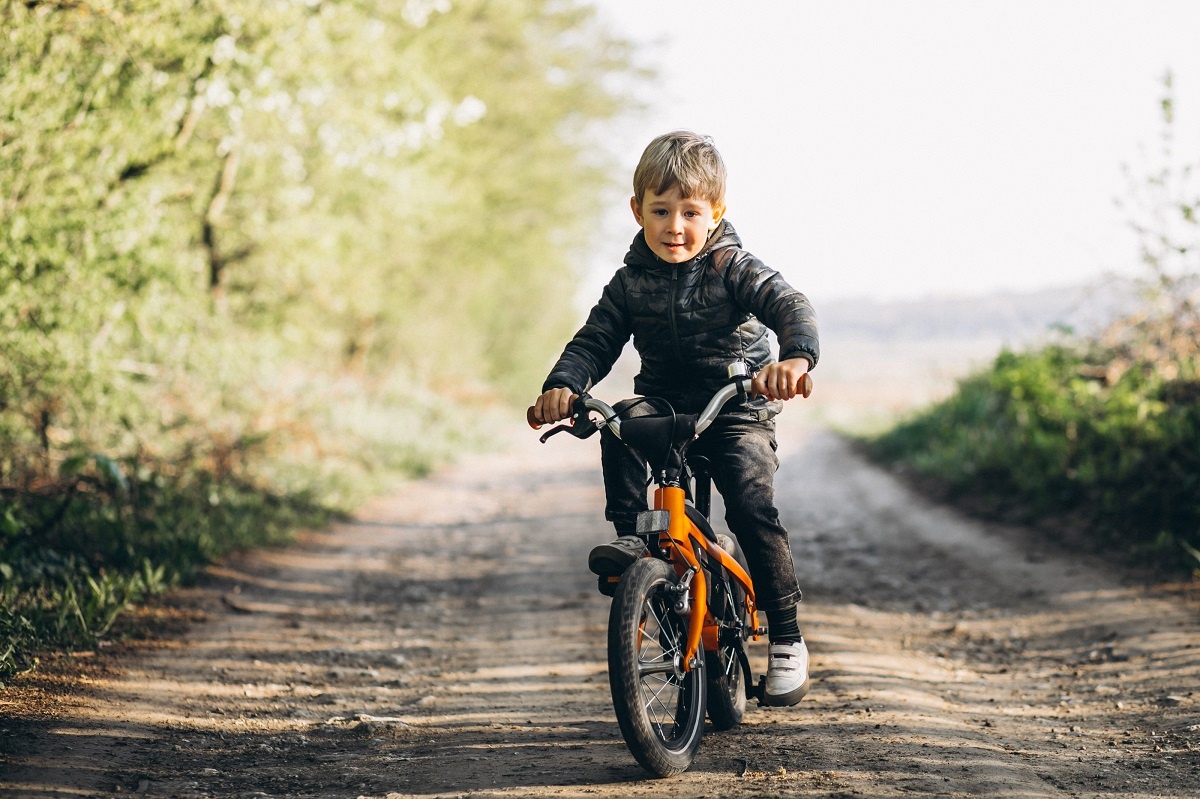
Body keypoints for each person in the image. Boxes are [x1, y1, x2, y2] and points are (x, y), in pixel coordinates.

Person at [530, 130, 819, 707]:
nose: (674, 226)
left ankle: (785, 635)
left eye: (690, 212)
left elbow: (788, 305)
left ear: (716, 213)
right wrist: (563, 385)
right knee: (620, 425)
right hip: (666, 402)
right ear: (637, 211)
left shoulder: (731, 267)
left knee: (749, 500)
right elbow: (595, 341)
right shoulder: (629, 281)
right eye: (660, 211)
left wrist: (793, 358)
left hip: (736, 403)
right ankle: (637, 544)